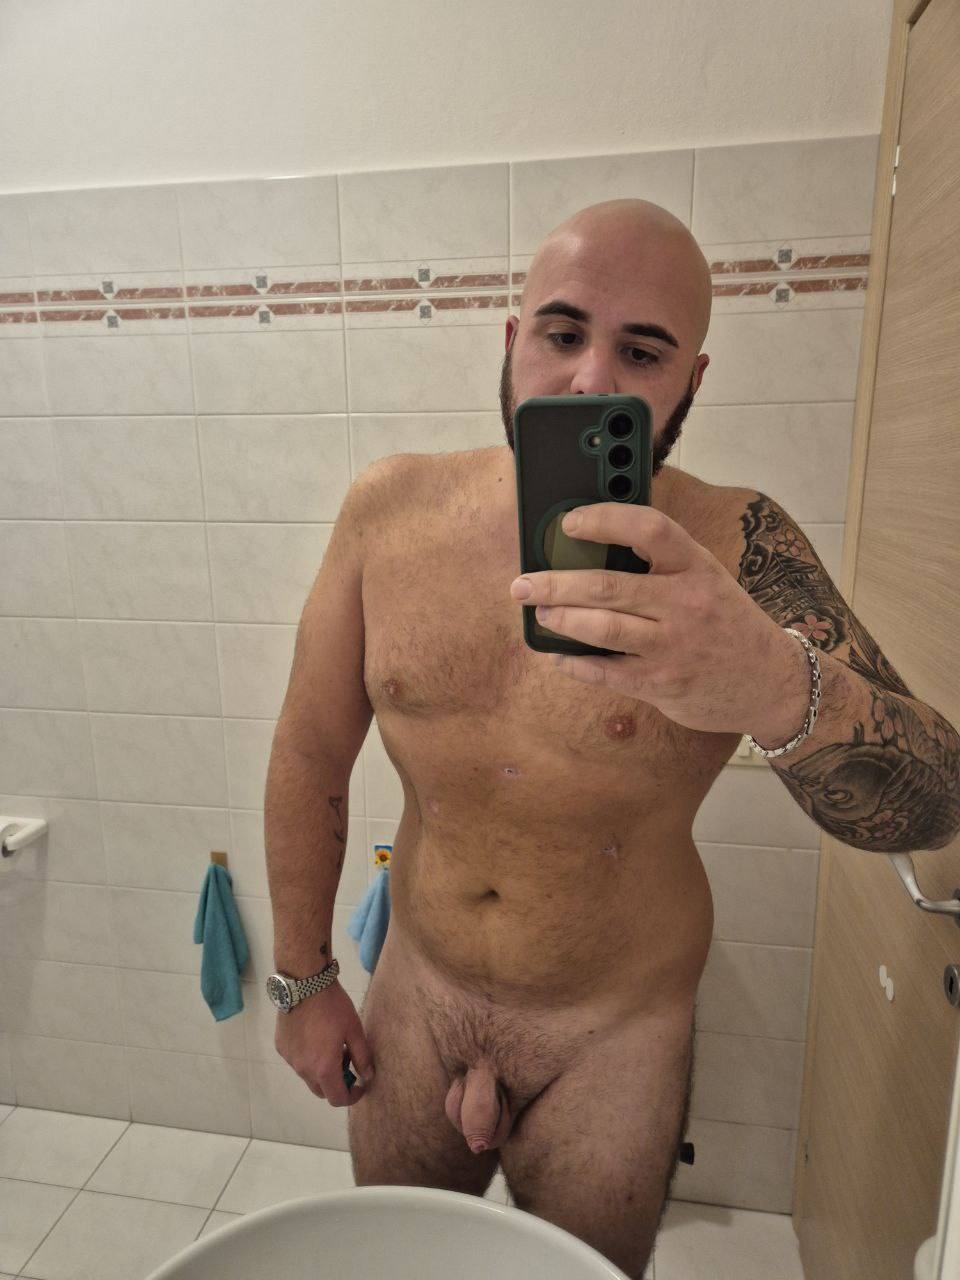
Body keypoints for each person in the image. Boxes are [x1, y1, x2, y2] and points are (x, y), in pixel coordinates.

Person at [267, 198, 746, 1280]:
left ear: (693, 380)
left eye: (643, 351)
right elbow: (308, 748)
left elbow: (927, 794)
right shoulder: (389, 513)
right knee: (396, 1265)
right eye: (562, 333)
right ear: (512, 338)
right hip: (419, 993)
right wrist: (303, 980)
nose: (588, 379)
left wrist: (766, 676)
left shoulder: (738, 553)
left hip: (611, 1033)